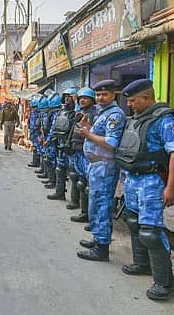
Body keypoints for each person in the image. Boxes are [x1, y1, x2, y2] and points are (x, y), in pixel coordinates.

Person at [116, 79, 174, 301]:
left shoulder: (164, 119)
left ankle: (166, 284)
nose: (130, 105)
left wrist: (172, 187)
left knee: (151, 232)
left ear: (146, 98)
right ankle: (141, 263)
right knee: (134, 222)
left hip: (151, 181)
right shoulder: (136, 119)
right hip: (134, 179)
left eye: (134, 101)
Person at [77, 80, 126, 262]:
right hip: (96, 165)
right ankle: (98, 238)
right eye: (97, 95)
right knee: (95, 203)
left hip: (105, 166)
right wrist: (89, 129)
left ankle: (102, 248)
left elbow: (111, 143)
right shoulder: (102, 114)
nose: (100, 98)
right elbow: (100, 136)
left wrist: (88, 135)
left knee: (102, 205)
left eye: (104, 94)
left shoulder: (115, 115)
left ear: (114, 95)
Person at [67, 88, 96, 221]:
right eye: (80, 98)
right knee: (79, 181)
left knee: (87, 185)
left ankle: (89, 215)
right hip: (77, 150)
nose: (83, 100)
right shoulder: (80, 112)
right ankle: (83, 211)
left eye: (86, 98)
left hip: (88, 153)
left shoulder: (95, 114)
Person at [47, 88, 77, 200]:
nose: (67, 100)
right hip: (61, 144)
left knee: (75, 175)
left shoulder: (77, 112)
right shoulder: (62, 111)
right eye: (65, 97)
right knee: (60, 168)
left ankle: (75, 201)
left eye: (70, 97)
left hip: (72, 147)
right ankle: (59, 192)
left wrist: (76, 101)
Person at [42, 93, 63, 190]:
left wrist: (48, 139)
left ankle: (53, 182)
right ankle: (51, 180)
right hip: (52, 139)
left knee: (53, 161)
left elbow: (52, 129)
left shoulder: (56, 113)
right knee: (50, 159)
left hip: (53, 140)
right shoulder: (54, 112)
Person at [27, 95, 42, 168]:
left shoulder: (35, 112)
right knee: (36, 147)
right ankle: (36, 162)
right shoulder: (37, 112)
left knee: (37, 147)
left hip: (36, 132)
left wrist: (31, 133)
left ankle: (36, 162)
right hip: (36, 132)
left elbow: (33, 125)